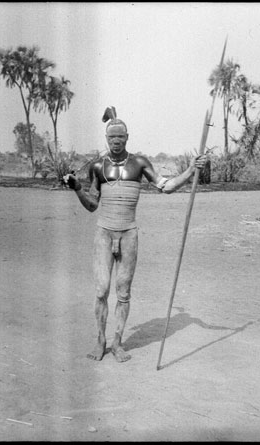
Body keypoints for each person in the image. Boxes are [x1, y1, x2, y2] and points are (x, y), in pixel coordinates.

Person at [64, 118, 207, 363]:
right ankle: (101, 341)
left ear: (127, 137)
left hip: (129, 234)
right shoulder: (97, 167)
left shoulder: (139, 164)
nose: (116, 141)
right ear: (106, 139)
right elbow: (92, 205)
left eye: (120, 137)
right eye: (111, 137)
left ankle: (118, 342)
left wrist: (191, 169)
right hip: (104, 234)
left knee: (123, 292)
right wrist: (78, 188)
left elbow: (167, 186)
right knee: (101, 290)